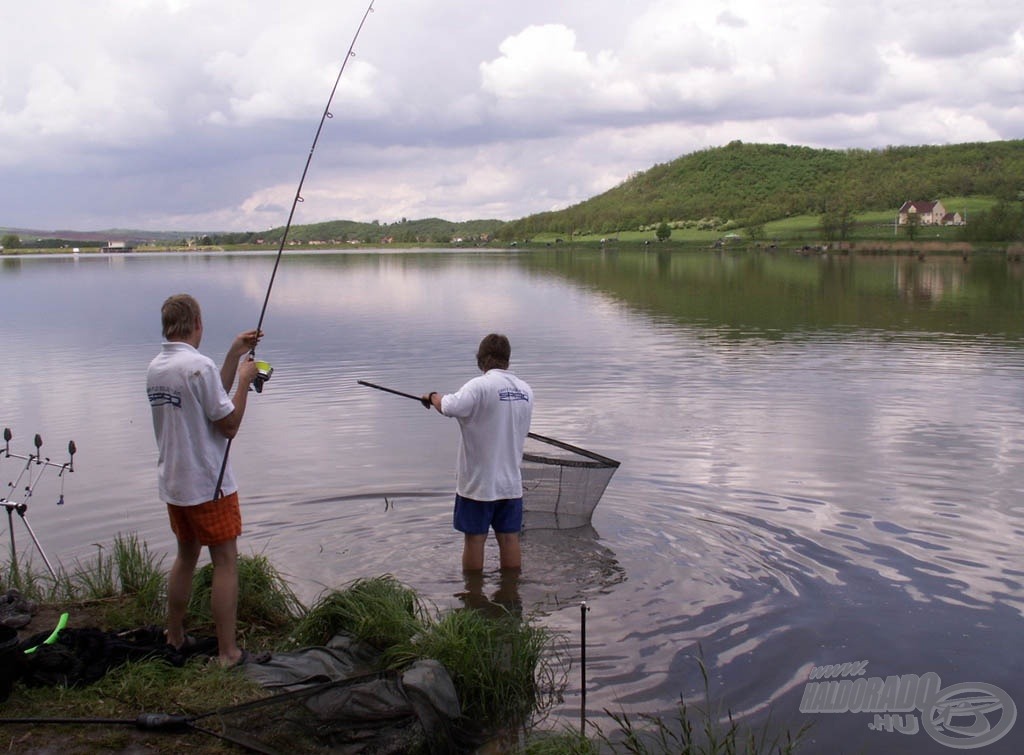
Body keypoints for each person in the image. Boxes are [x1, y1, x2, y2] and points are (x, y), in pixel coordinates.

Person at [146, 293, 265, 668]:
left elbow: (211, 399)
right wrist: (245, 380)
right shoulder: (197, 366)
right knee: (225, 561)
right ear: (197, 323)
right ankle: (228, 653)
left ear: (167, 325)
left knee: (185, 555)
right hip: (208, 485)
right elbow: (228, 424)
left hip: (176, 484)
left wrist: (232, 355)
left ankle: (175, 635)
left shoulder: (158, 366)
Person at [422, 333, 533, 572]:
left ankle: (472, 598)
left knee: (475, 539)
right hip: (511, 483)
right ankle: (511, 596)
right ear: (507, 361)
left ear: (482, 361)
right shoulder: (525, 391)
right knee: (509, 538)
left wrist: (432, 397)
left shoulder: (479, 385)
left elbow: (449, 406)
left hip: (478, 485)